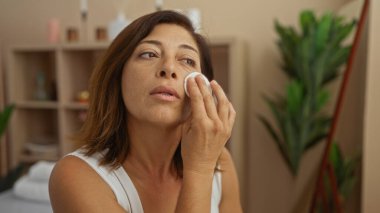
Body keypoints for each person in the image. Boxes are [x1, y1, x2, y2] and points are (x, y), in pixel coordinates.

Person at [49, 10, 242, 213]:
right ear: (117, 76)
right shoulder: (75, 175)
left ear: (203, 88)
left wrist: (203, 163)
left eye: (187, 60)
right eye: (149, 54)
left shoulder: (220, 161)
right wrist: (199, 169)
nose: (168, 68)